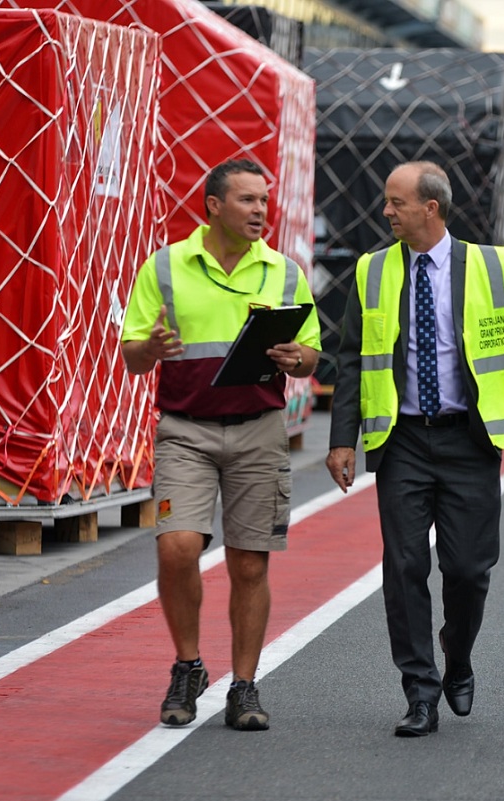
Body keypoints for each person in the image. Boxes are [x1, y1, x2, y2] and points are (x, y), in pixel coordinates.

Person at [121, 158, 321, 732]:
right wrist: (152, 348)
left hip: (258, 430)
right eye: (248, 200)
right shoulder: (163, 268)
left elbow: (311, 353)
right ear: (213, 206)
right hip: (185, 429)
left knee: (249, 564)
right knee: (177, 547)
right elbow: (132, 356)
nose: (261, 210)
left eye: (264, 200)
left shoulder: (284, 273)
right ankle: (188, 666)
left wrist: (295, 359)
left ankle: (244, 686)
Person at [326, 160, 504, 737]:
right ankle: (420, 690)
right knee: (406, 565)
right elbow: (351, 358)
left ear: (430, 208)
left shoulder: (492, 265)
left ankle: (457, 657)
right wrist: (343, 439)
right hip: (404, 440)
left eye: (396, 202)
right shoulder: (372, 270)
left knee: (467, 569)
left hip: (469, 437)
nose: (385, 211)